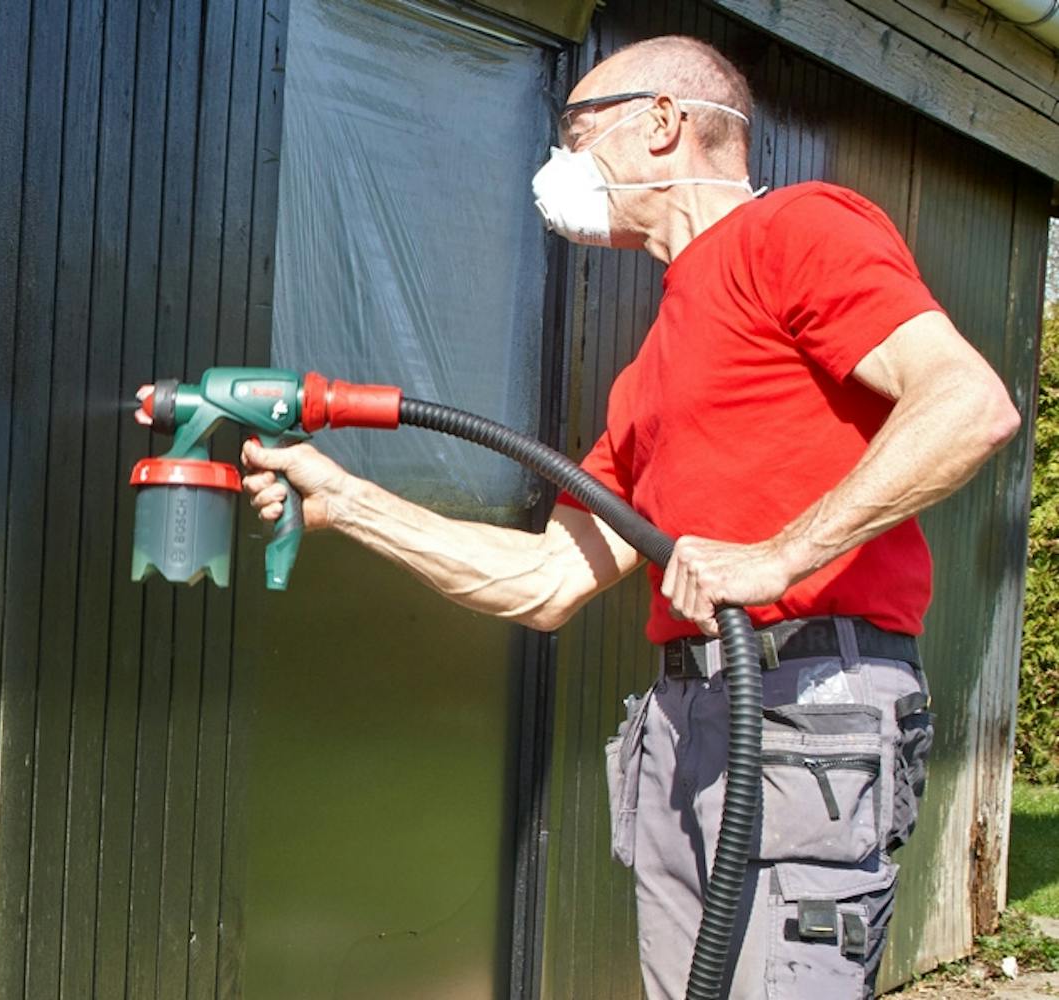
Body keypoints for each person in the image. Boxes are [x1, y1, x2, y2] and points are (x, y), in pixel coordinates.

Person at [239, 34, 1021, 1000]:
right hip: (693, 718)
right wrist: (346, 502)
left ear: (662, 123)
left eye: (576, 131)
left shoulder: (797, 229)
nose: (557, 163)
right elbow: (544, 581)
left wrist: (779, 557)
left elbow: (967, 403)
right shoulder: (651, 372)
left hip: (803, 704)